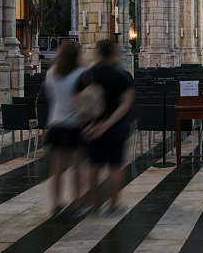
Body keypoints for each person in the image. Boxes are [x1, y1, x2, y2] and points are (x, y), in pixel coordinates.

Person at [77, 39, 136, 216]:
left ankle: (94, 205)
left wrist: (87, 125)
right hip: (115, 127)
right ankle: (113, 204)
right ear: (113, 54)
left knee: (94, 166)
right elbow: (126, 104)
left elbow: (77, 103)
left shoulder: (86, 76)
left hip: (91, 128)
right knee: (114, 167)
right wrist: (107, 125)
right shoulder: (121, 76)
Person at [44, 40, 86, 219]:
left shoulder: (51, 73)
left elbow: (49, 96)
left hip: (56, 123)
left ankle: (56, 204)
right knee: (77, 167)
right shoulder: (80, 74)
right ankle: (78, 203)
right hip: (75, 124)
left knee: (57, 168)